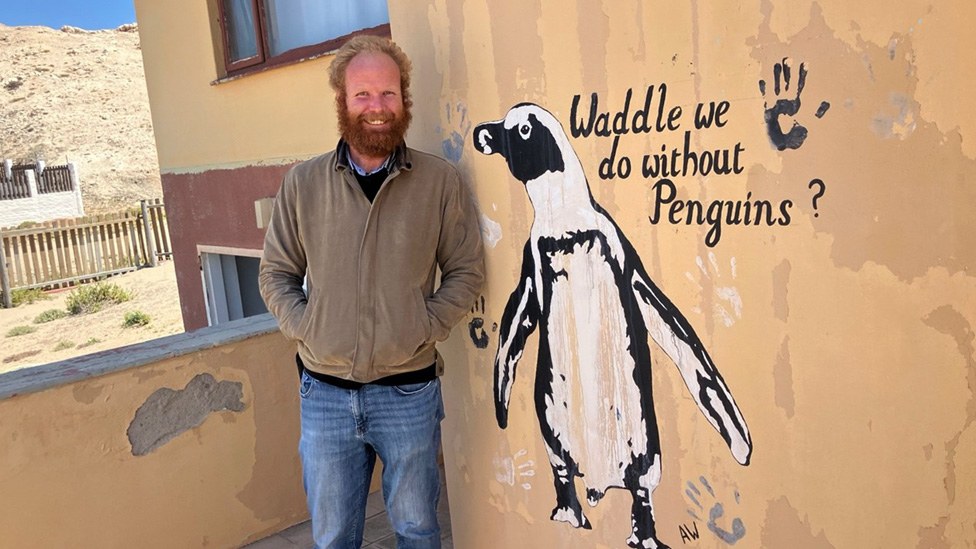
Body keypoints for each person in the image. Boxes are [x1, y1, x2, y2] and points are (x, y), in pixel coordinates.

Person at [258, 36, 485, 549]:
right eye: (363, 95)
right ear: (341, 100)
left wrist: (421, 327)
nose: (377, 108)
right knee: (335, 537)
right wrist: (307, 327)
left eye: (387, 94)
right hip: (325, 395)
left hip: (410, 392)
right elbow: (275, 274)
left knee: (417, 531)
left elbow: (466, 271)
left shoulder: (438, 181)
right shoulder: (302, 184)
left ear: (404, 98)